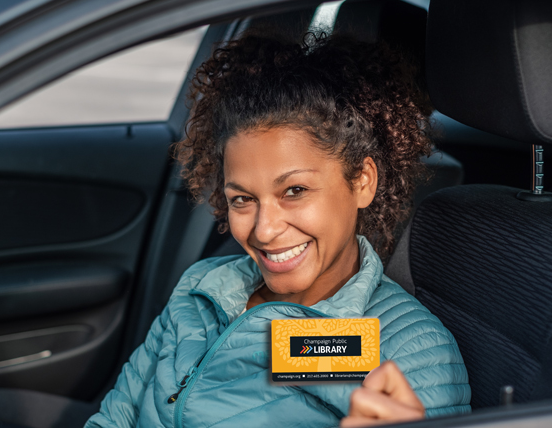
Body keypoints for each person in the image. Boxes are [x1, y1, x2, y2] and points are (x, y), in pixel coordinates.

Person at [84, 32, 470, 428]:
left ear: (362, 181)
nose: (265, 231)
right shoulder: (203, 287)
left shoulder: (410, 354)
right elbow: (115, 418)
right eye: (242, 199)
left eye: (295, 191)